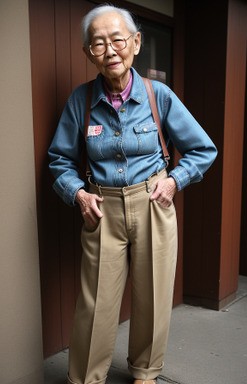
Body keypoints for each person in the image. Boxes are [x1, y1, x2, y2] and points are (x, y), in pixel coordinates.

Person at [48, 4, 217, 384]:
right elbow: (58, 160)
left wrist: (175, 181)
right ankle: (85, 377)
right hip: (102, 209)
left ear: (136, 43)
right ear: (87, 53)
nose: (109, 50)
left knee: (154, 298)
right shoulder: (80, 101)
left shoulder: (160, 96)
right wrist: (78, 194)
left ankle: (145, 372)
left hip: (153, 205)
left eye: (117, 40)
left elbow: (203, 150)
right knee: (96, 303)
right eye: (98, 44)